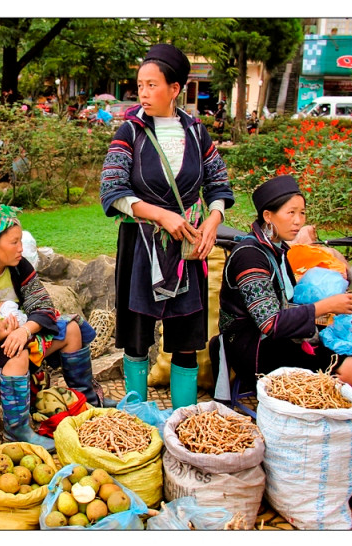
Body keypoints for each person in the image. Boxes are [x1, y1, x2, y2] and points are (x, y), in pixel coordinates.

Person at [100, 43, 234, 409]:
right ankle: (136, 417)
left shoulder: (196, 133)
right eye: (139, 85)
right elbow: (112, 190)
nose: (143, 93)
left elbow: (219, 185)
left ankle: (182, 418)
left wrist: (213, 220)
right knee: (137, 337)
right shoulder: (130, 132)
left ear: (175, 88)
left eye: (152, 85)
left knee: (186, 339)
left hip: (188, 247)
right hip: (141, 244)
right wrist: (161, 215)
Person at [0, 205, 116, 452]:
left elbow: (43, 306)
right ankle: (17, 429)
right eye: (14, 242)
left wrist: (24, 331)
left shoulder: (19, 267)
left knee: (71, 330)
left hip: (21, 333)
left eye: (20, 241)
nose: (20, 248)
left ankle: (86, 400)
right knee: (18, 353)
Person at [217, 175, 352, 389]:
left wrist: (330, 311)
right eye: (291, 213)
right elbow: (270, 323)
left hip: (285, 335)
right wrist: (326, 306)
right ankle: (306, 404)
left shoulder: (277, 249)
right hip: (254, 347)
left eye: (302, 213)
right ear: (268, 216)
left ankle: (334, 397)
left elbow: (286, 304)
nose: (298, 221)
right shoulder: (250, 256)